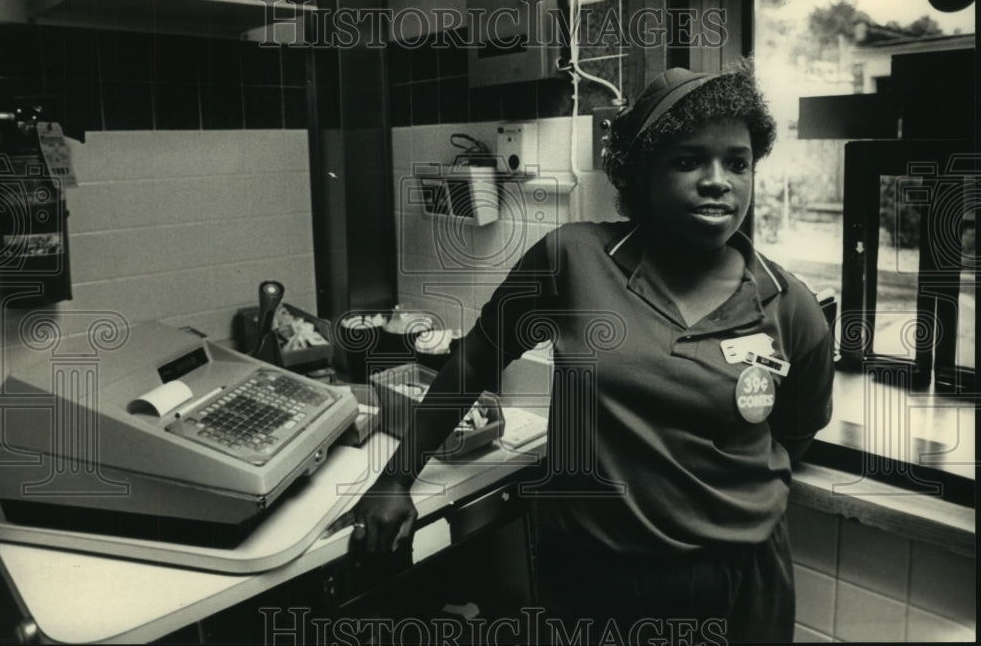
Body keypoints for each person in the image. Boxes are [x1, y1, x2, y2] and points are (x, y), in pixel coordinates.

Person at [342, 64, 835, 644]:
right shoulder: (573, 260)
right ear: (641, 173)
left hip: (736, 585)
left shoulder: (789, 304)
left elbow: (793, 433)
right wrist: (396, 479)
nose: (717, 181)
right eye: (687, 160)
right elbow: (477, 359)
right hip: (594, 582)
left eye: (738, 161)